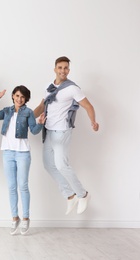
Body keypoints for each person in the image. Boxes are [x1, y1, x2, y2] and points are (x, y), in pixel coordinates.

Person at [34, 56, 99, 215]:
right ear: (55, 69)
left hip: (62, 130)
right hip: (49, 130)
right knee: (48, 165)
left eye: (66, 68)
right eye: (60, 67)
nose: (63, 70)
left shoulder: (72, 88)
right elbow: (42, 106)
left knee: (62, 165)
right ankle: (70, 195)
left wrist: (93, 122)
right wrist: (26, 117)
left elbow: (88, 105)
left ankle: (83, 194)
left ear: (68, 70)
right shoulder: (49, 86)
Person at [0, 86, 45, 235]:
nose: (19, 99)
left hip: (22, 153)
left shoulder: (28, 112)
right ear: (13, 96)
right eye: (17, 96)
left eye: (22, 97)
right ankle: (15, 218)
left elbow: (33, 131)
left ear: (26, 99)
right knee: (11, 187)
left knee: (23, 186)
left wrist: (40, 123)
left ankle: (26, 218)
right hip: (7, 153)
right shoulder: (7, 111)